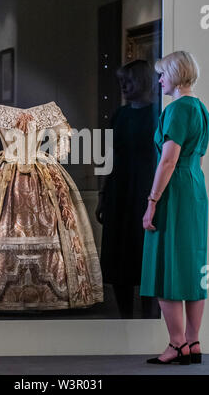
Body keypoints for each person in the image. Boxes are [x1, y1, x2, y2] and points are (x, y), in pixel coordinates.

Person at [140, 50, 209, 364]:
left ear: (176, 75)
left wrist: (152, 202)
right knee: (193, 267)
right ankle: (193, 343)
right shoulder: (200, 108)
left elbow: (168, 161)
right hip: (195, 187)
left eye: (162, 73)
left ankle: (176, 344)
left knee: (165, 267)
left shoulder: (177, 110)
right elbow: (199, 157)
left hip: (175, 191)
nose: (159, 79)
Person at [96, 60, 159, 318]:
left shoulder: (157, 113)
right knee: (118, 256)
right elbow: (108, 156)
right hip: (119, 191)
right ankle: (124, 318)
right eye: (122, 81)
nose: (123, 86)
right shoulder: (119, 115)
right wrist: (102, 194)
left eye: (128, 81)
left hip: (144, 190)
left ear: (143, 82)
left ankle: (148, 317)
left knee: (143, 255)